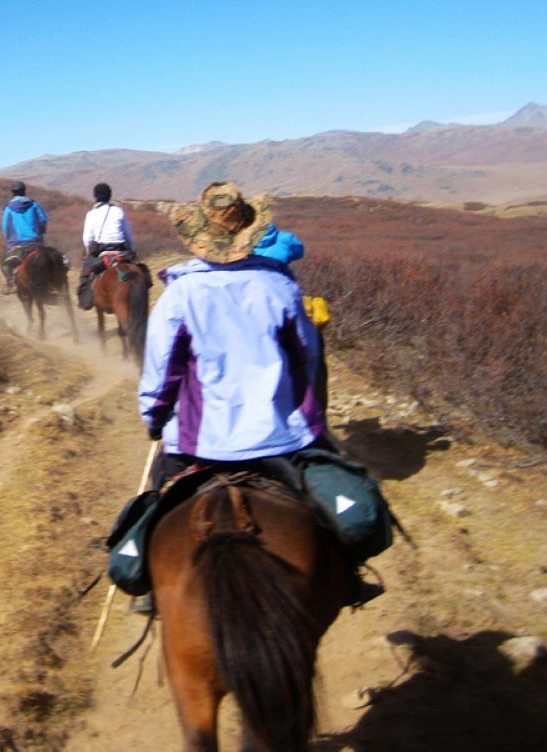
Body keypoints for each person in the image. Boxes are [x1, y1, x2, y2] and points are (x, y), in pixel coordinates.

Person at [134, 181, 381, 608]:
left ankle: (153, 591)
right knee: (337, 498)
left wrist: (155, 420)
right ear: (250, 231)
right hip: (282, 437)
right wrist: (311, 416)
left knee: (157, 503)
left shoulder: (178, 295)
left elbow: (161, 377)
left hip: (200, 443)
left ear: (198, 238)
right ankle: (350, 574)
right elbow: (307, 360)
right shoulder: (281, 288)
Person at [77, 182, 135, 310]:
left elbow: (87, 239)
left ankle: (85, 302)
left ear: (95, 196)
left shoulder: (91, 214)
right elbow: (128, 234)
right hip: (121, 252)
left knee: (85, 275)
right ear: (110, 196)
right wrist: (132, 249)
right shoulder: (118, 211)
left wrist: (88, 252)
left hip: (102, 253)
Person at [0, 181, 48, 293]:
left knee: (4, 262)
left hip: (16, 245)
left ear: (13, 193)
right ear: (24, 191)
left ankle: (11, 283)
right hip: (35, 243)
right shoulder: (35, 204)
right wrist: (41, 232)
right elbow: (43, 220)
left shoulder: (8, 208)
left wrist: (9, 240)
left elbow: (5, 226)